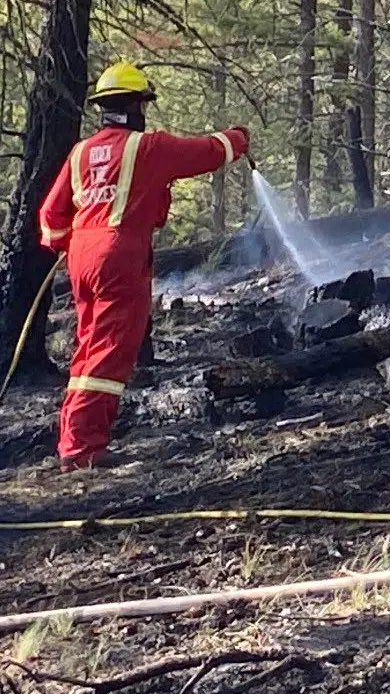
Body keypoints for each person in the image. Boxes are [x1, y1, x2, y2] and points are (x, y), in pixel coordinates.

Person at [35, 62, 250, 471]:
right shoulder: (148, 148)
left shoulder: (80, 153)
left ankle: (72, 440)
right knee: (110, 351)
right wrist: (239, 137)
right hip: (120, 254)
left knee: (88, 346)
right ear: (135, 105)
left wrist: (73, 244)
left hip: (82, 256)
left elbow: (49, 216)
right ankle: (82, 450)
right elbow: (209, 151)